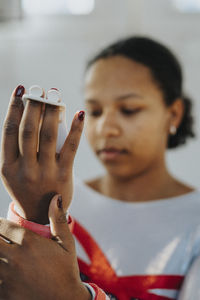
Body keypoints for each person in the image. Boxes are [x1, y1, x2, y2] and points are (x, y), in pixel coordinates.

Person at [0, 36, 200, 300]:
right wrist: (34, 218)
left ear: (173, 113)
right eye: (94, 111)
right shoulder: (52, 202)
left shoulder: (193, 219)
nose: (106, 128)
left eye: (129, 110)